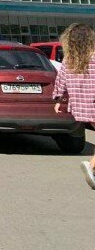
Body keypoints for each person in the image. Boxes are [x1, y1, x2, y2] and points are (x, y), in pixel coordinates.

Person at [53, 23, 95, 189]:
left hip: (82, 107)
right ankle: (92, 166)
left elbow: (61, 81)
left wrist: (59, 100)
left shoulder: (69, 60)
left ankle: (93, 169)